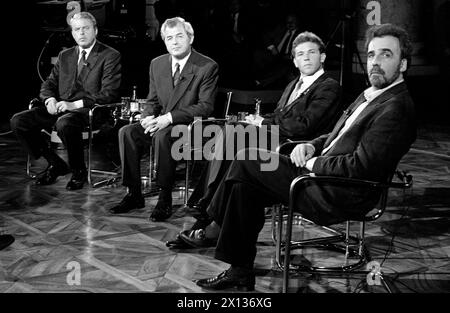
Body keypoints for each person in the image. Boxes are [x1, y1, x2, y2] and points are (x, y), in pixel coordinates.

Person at [185, 23, 417, 291]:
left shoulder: (396, 108)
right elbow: (336, 136)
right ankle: (239, 269)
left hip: (337, 191)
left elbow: (359, 167)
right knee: (244, 184)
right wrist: (312, 146)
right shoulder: (373, 95)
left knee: (246, 158)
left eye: (386, 55)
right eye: (372, 55)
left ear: (403, 64)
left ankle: (212, 224)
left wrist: (311, 162)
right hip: (319, 176)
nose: (375, 62)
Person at [167, 31, 342, 248]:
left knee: (236, 134)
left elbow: (304, 126)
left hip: (293, 148)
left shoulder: (328, 86)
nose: (306, 58)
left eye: (312, 52)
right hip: (273, 138)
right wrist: (259, 119)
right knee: (232, 131)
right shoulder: (293, 84)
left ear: (322, 57)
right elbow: (279, 115)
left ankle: (205, 209)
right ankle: (207, 213)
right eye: (300, 54)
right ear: (295, 61)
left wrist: (262, 123)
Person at [109, 17, 219, 222]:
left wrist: (168, 118)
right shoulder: (157, 64)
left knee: (163, 135)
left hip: (190, 129)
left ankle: (164, 196)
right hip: (161, 124)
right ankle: (133, 193)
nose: (174, 42)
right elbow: (152, 100)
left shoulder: (207, 66)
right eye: (169, 38)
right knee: (127, 132)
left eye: (179, 36)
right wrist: (146, 117)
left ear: (191, 38)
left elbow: (205, 107)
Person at [10, 12, 121, 191]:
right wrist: (50, 100)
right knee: (19, 121)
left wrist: (74, 105)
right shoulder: (65, 55)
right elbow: (48, 84)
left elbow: (109, 94)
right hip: (61, 108)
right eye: (77, 29)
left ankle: (79, 172)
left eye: (86, 28)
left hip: (91, 111)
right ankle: (56, 163)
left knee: (65, 123)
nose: (81, 33)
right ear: (72, 33)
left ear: (95, 30)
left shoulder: (110, 55)